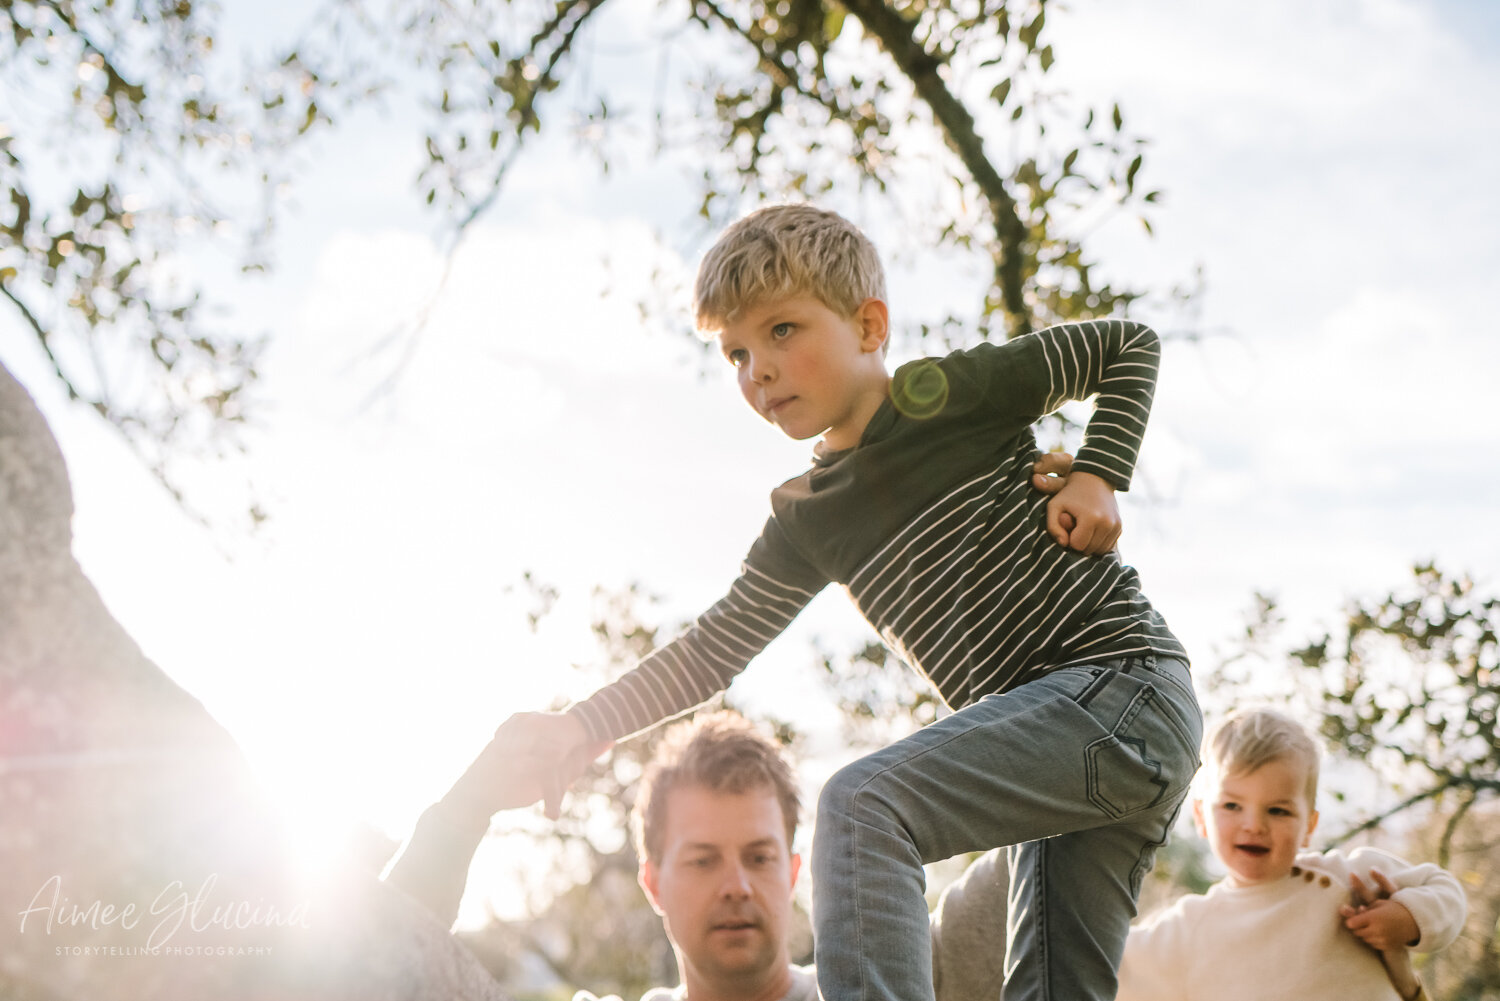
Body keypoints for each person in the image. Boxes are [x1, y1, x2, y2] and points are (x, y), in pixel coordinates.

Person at [496, 203, 1202, 1001]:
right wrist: (585, 725)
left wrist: (1097, 470)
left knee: (864, 803)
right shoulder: (809, 517)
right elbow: (712, 649)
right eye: (735, 351)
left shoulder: (954, 394)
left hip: (1121, 691)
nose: (755, 369)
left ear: (869, 325)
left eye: (782, 331)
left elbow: (1125, 346)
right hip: (1067, 760)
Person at [385, 708, 1012, 1001]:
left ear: (793, 874)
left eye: (760, 857)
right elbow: (386, 968)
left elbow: (1085, 817)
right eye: (703, 859)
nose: (736, 884)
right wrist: (467, 806)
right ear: (652, 883)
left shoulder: (895, 983)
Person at [1113, 707, 1467, 1001]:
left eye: (1278, 811)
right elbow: (1109, 965)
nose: (1253, 825)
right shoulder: (1188, 928)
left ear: (1309, 826)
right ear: (1202, 816)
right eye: (1232, 805)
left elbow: (1443, 889)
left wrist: (1407, 917)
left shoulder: (1347, 878)